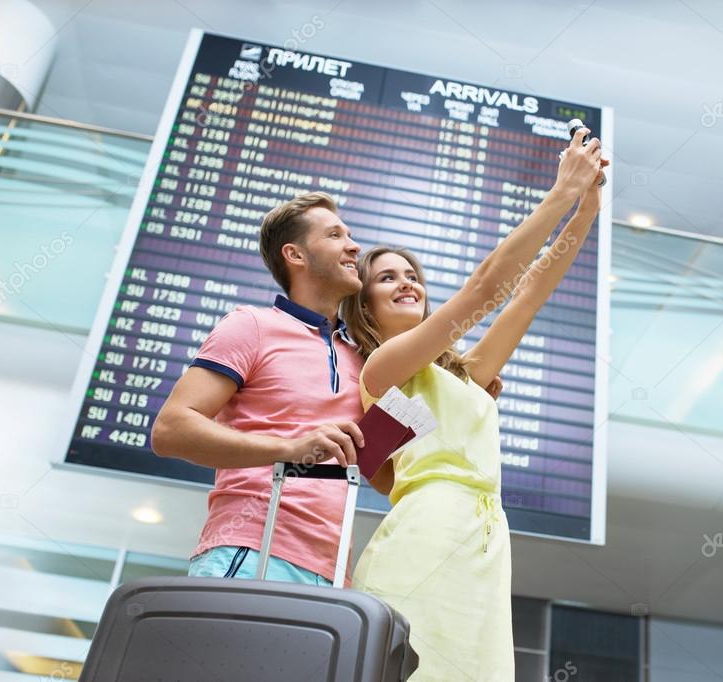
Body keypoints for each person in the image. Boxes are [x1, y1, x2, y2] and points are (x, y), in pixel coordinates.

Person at [340, 127, 606, 680]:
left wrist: (585, 209)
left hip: (485, 539)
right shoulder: (383, 368)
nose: (407, 283)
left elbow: (528, 295)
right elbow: (486, 288)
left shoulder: (460, 376)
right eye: (387, 278)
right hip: (428, 530)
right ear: (363, 306)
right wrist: (558, 193)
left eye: (412, 275)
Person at [151, 192, 367, 584]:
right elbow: (171, 430)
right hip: (250, 550)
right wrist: (289, 449)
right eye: (335, 235)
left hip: (332, 573)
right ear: (295, 255)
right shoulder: (250, 325)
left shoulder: (360, 359)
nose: (354, 246)